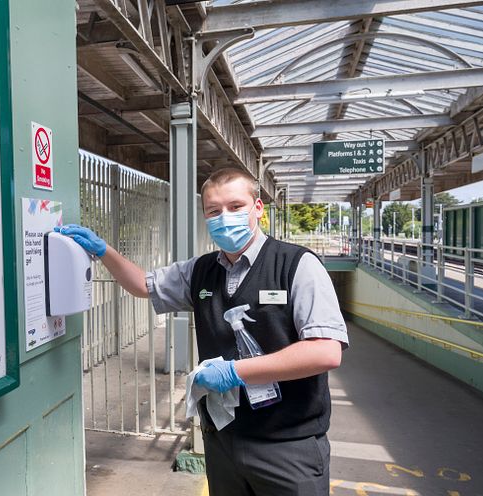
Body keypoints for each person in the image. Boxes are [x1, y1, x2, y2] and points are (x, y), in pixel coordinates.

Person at [56, 167, 348, 495]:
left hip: (288, 446)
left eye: (236, 207)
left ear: (258, 208)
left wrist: (236, 372)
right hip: (223, 441)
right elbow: (143, 285)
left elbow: (325, 350)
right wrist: (103, 251)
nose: (225, 217)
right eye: (214, 211)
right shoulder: (200, 270)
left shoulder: (297, 265)